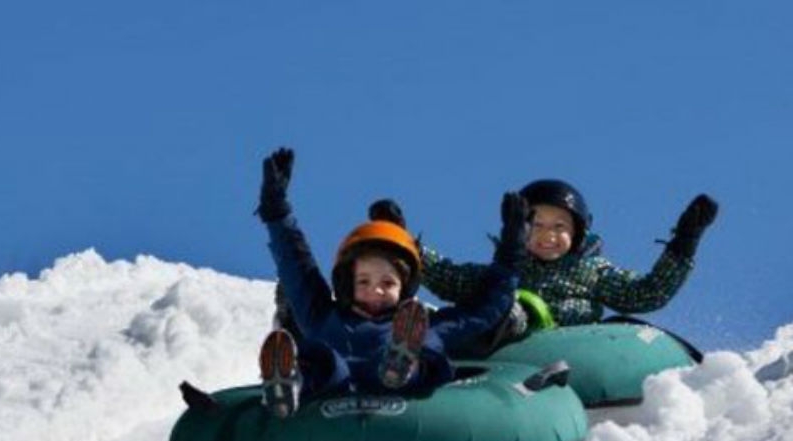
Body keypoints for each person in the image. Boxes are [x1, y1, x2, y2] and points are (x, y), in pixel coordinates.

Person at [254, 147, 526, 418]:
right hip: (332, 388)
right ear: (347, 284)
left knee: (420, 356)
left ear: (404, 288)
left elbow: (481, 312)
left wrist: (511, 252)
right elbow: (297, 266)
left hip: (400, 392)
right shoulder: (323, 316)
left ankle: (403, 364)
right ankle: (289, 384)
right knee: (323, 361)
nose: (376, 290)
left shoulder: (425, 325)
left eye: (388, 283)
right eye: (363, 281)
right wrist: (277, 211)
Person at [420, 179, 719, 351]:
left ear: (578, 232)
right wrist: (405, 245)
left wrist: (684, 242)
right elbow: (448, 276)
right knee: (491, 299)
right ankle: (420, 336)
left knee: (514, 305)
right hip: (503, 357)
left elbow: (647, 294)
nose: (547, 236)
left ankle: (501, 322)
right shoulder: (505, 270)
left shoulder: (592, 272)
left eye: (559, 226)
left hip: (568, 350)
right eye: (535, 225)